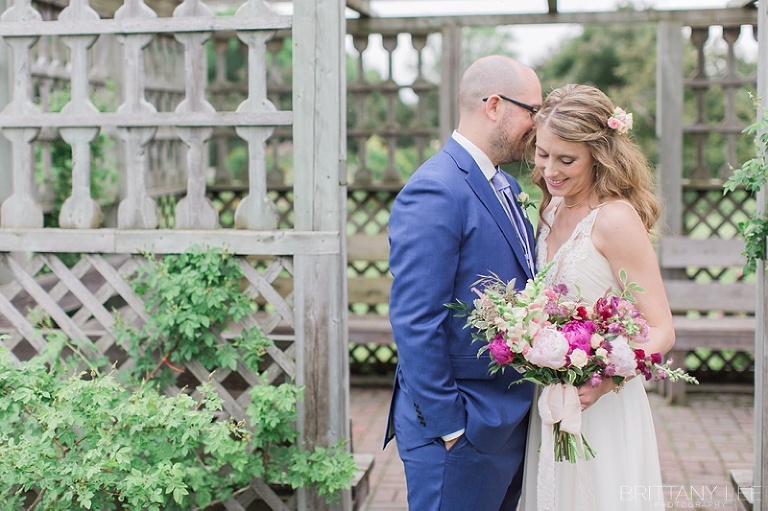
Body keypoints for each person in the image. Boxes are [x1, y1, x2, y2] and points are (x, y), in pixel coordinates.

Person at [383, 55, 542, 511]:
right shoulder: (436, 188)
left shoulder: (504, 186)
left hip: (505, 419)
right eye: (531, 110)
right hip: (459, 429)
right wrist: (451, 425)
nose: (537, 124)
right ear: (494, 105)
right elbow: (416, 319)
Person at [519, 83, 676, 510]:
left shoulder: (616, 220)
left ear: (599, 155)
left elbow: (662, 330)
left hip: (603, 407)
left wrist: (607, 381)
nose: (550, 170)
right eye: (543, 153)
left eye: (566, 159)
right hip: (552, 398)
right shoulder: (549, 209)